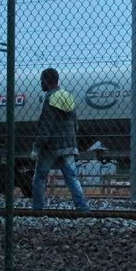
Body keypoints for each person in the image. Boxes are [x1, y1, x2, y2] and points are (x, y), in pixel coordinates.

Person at [31, 68, 89, 212]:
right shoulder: (67, 96)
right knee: (72, 178)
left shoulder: (50, 98)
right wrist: (72, 140)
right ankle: (82, 208)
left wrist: (36, 148)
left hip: (51, 147)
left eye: (42, 80)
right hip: (68, 145)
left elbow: (46, 126)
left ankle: (37, 208)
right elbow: (75, 124)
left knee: (40, 177)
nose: (40, 83)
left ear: (47, 80)